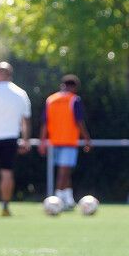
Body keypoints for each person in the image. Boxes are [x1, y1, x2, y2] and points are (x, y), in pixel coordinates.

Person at [0, 62, 32, 217]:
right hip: (10, 139)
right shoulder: (20, 93)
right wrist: (25, 140)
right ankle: (5, 206)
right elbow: (25, 120)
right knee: (6, 173)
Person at [38, 75, 90, 210]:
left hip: (54, 142)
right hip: (69, 141)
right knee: (64, 173)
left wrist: (42, 141)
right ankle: (57, 201)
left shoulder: (51, 99)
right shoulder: (74, 100)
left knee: (65, 172)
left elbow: (45, 122)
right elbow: (79, 121)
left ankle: (69, 199)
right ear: (73, 87)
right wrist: (86, 139)